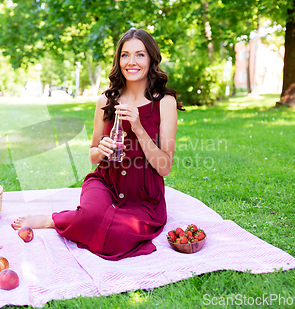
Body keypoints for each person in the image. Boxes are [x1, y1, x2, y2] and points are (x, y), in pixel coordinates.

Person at [12, 28, 185, 260]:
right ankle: (53, 219)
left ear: (151, 58)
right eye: (125, 55)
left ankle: (67, 220)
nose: (131, 62)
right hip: (106, 182)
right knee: (91, 217)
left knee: (121, 235)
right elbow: (93, 156)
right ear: (118, 59)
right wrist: (100, 149)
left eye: (140, 55)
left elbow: (165, 167)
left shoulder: (164, 103)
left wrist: (138, 128)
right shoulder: (106, 100)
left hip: (143, 195)